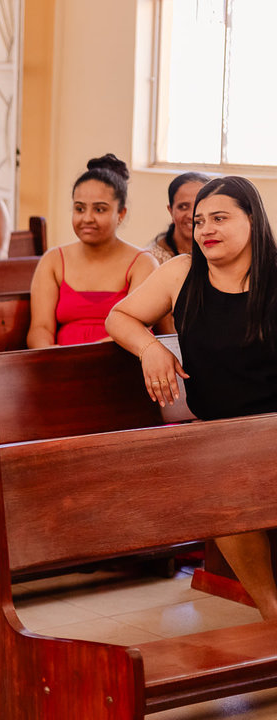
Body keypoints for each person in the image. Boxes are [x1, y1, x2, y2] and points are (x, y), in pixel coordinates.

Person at [106, 175, 277, 622]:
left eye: (220, 218)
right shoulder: (182, 272)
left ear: (253, 220)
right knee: (217, 482)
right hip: (218, 435)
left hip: (272, 430)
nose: (205, 230)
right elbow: (119, 316)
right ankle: (272, 610)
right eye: (200, 220)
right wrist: (150, 348)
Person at [27, 154, 157, 348]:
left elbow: (138, 329)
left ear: (121, 214)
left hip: (121, 365)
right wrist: (53, 358)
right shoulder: (53, 260)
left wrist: (81, 360)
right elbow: (41, 328)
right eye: (79, 209)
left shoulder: (143, 263)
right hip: (59, 367)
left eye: (99, 210)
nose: (87, 218)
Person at [145, 171, 213, 264]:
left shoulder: (221, 251)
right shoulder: (153, 260)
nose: (191, 215)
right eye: (183, 207)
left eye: (199, 206)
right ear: (171, 211)